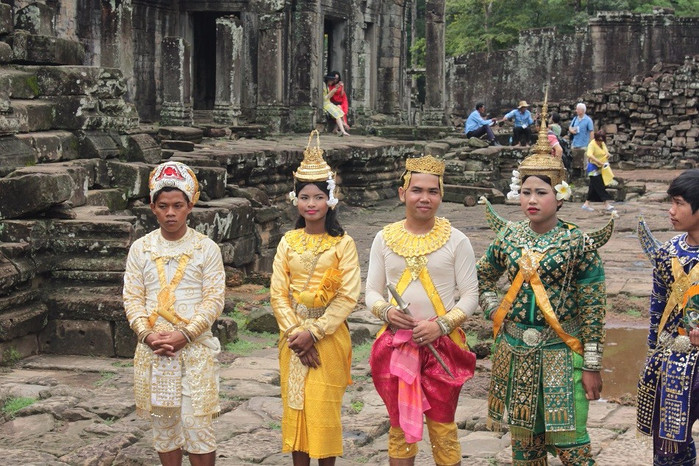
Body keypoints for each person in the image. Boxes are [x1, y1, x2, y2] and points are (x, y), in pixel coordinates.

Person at [478, 108, 612, 465]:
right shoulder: (507, 237)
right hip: (515, 352)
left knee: (573, 449)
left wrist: (592, 364)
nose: (531, 200)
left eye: (541, 192)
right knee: (525, 451)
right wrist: (495, 309)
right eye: (525, 192)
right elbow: (483, 277)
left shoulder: (578, 244)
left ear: (561, 195)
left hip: (562, 353)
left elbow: (593, 308)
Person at [365, 154, 478, 465]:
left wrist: (440, 326)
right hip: (396, 344)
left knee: (443, 427)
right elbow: (372, 292)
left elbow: (470, 296)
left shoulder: (457, 241)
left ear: (441, 195)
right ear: (403, 193)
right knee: (400, 428)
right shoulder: (383, 238)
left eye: (433, 191)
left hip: (443, 344)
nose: (425, 198)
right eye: (417, 190)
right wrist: (386, 312)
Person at [123, 161, 225, 466]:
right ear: (152, 207)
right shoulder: (140, 249)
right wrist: (147, 334)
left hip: (194, 351)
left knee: (198, 427)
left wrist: (186, 334)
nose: (171, 213)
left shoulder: (206, 249)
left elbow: (214, 298)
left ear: (190, 206)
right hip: (154, 351)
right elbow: (132, 297)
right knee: (164, 429)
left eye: (178, 205)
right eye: (163, 206)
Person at [270, 130, 361, 466]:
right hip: (292, 338)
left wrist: (315, 333)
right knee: (296, 410)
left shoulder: (343, 244)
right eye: (304, 197)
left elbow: (348, 295)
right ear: (296, 200)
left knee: (323, 410)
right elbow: (278, 293)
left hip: (330, 337)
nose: (311, 204)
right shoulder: (287, 241)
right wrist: (297, 333)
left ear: (330, 200)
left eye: (318, 197)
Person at [637, 169, 699, 466]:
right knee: (671, 447)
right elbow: (657, 307)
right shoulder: (667, 252)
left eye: (678, 203)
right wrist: (653, 352)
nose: (671, 211)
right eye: (671, 202)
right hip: (674, 360)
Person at [581, 131, 615, 212]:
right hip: (593, 168)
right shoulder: (592, 144)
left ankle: (586, 203)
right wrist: (598, 161)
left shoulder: (602, 144)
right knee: (599, 185)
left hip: (601, 167)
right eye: (598, 140)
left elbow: (606, 152)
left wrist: (607, 155)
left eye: (601, 140)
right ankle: (606, 203)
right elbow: (589, 155)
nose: (600, 142)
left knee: (593, 186)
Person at [568, 103, 594, 178]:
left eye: (577, 109)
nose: (576, 110)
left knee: (584, 161)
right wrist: (571, 131)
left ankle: (585, 176)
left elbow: (591, 131)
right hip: (575, 143)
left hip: (584, 144)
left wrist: (591, 143)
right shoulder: (575, 118)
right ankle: (576, 174)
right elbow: (570, 127)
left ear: (582, 111)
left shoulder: (588, 120)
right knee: (574, 159)